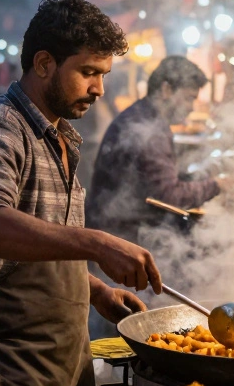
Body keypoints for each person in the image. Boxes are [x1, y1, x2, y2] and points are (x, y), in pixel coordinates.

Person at [0, 0, 159, 386]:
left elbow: (33, 246)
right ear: (44, 63)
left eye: (103, 75)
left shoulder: (59, 137)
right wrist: (97, 243)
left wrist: (91, 288)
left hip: (55, 367)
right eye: (88, 73)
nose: (99, 89)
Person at [87, 56, 222, 246]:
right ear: (166, 90)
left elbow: (159, 180)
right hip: (122, 240)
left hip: (122, 231)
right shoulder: (148, 128)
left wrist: (206, 176)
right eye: (188, 98)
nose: (191, 108)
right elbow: (169, 197)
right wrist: (218, 186)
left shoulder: (145, 116)